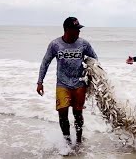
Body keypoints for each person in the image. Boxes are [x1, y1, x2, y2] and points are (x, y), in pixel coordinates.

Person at [36, 17, 98, 145]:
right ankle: (67, 142)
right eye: (76, 29)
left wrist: (91, 74)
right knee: (63, 112)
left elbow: (95, 59)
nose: (79, 32)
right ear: (67, 30)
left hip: (79, 83)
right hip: (62, 84)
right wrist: (40, 82)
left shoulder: (84, 44)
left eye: (79, 29)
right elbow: (45, 63)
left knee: (78, 113)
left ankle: (79, 141)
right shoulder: (55, 44)